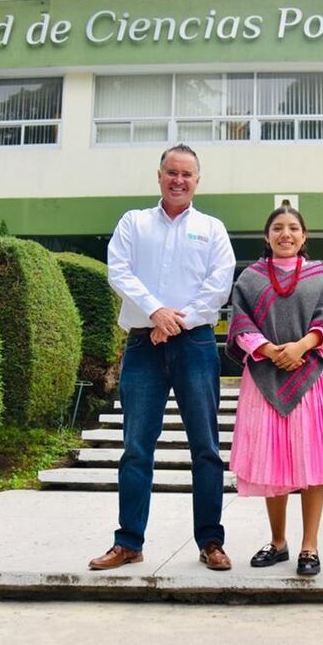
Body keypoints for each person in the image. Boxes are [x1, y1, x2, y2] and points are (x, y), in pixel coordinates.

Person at [89, 144, 236, 572]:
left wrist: (176, 320)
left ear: (197, 181)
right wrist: (156, 311)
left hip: (195, 346)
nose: (178, 180)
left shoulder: (212, 229)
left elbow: (219, 284)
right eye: (172, 172)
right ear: (159, 175)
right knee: (136, 447)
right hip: (143, 345)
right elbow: (119, 271)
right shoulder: (133, 223)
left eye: (187, 174)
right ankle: (129, 541)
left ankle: (211, 541)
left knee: (206, 448)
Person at [226, 203, 323, 576]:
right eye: (278, 228)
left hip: (312, 375)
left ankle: (309, 547)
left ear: (304, 235)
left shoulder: (320, 277)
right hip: (264, 377)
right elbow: (240, 322)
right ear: (267, 236)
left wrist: (300, 347)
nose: (286, 234)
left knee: (311, 464)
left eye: (293, 228)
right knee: (273, 464)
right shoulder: (250, 278)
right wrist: (268, 350)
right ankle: (278, 542)